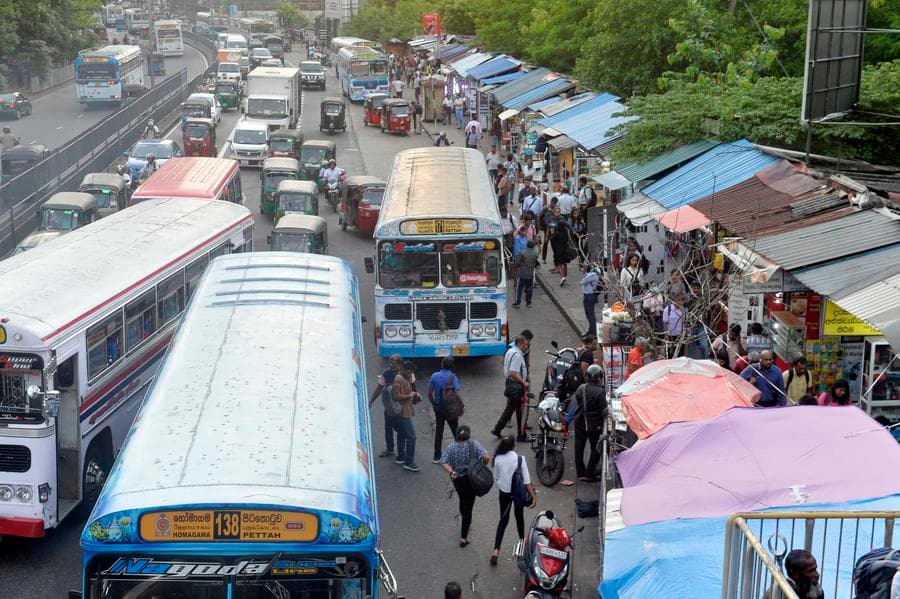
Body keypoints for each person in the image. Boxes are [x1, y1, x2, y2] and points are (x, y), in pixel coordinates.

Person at [440, 425, 490, 547]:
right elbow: (486, 458)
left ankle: (463, 514)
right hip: (471, 479)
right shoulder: (473, 445)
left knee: (463, 499)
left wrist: (452, 472)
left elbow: (443, 461)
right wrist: (482, 463)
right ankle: (463, 537)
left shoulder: (451, 447)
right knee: (469, 507)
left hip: (457, 479)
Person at [490, 435, 536, 566]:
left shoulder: (498, 458)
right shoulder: (520, 459)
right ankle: (522, 546)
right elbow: (526, 482)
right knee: (519, 518)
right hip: (517, 494)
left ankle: (496, 550)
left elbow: (497, 477)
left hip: (504, 494)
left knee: (503, 521)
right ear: (513, 446)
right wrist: (534, 497)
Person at [568, 364, 608, 481]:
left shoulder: (581, 388)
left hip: (580, 423)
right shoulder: (600, 392)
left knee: (579, 449)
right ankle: (589, 473)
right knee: (596, 449)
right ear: (599, 377)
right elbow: (604, 410)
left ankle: (580, 472)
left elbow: (578, 403)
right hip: (594, 426)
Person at [492, 336, 529, 442]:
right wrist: (523, 382)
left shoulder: (510, 351)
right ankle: (520, 435)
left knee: (510, 409)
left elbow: (504, 364)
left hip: (510, 385)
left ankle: (497, 429)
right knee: (520, 411)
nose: (526, 347)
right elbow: (513, 373)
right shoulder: (517, 355)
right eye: (525, 344)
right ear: (521, 344)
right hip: (516, 386)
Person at [369, 354, 407, 457]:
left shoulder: (406, 373)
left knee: (401, 428)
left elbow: (412, 386)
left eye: (393, 363)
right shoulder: (386, 374)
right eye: (390, 363)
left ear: (400, 364)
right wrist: (371, 401)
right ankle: (390, 449)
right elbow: (379, 388)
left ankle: (402, 450)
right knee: (388, 428)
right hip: (390, 406)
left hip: (402, 405)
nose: (391, 365)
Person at [429, 357, 462, 463]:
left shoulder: (434, 376)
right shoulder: (453, 377)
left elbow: (430, 393)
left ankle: (437, 456)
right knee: (455, 430)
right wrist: (461, 405)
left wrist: (435, 403)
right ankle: (459, 454)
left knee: (439, 431)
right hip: (450, 408)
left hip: (439, 408)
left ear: (442, 364)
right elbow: (456, 393)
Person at [392, 361, 422, 471]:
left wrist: (414, 394)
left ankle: (401, 457)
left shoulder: (403, 378)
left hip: (403, 411)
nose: (410, 375)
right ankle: (409, 462)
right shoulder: (399, 379)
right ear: (402, 369)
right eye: (408, 372)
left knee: (402, 434)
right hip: (402, 412)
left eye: (411, 373)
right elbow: (396, 396)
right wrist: (409, 395)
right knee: (411, 437)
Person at [549, 208, 572, 286]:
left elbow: (552, 236)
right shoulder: (565, 232)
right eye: (556, 212)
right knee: (564, 263)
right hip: (563, 248)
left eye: (558, 212)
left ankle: (562, 277)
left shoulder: (557, 233)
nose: (557, 214)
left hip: (559, 248)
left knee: (559, 263)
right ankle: (564, 277)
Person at [513, 240, 539, 308]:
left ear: (527, 245)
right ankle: (529, 302)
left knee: (519, 288)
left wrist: (515, 268)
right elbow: (535, 262)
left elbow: (517, 262)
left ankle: (517, 302)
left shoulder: (522, 252)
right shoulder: (536, 253)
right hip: (530, 274)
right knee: (529, 288)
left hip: (522, 273)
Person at [661, 293, 686, 357]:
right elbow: (665, 323)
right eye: (678, 300)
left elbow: (685, 322)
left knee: (680, 353)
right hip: (671, 335)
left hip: (681, 335)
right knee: (670, 353)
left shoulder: (684, 310)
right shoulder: (668, 309)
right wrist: (666, 335)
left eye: (682, 300)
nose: (680, 302)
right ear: (674, 300)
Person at [581, 263, 601, 339]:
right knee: (589, 314)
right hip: (589, 295)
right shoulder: (593, 273)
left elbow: (583, 282)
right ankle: (590, 331)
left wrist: (585, 272)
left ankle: (593, 332)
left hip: (589, 295)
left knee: (590, 315)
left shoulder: (592, 274)